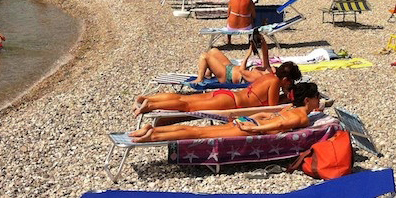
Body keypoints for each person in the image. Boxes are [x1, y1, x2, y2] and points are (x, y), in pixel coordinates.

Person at [129, 81, 319, 143]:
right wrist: (253, 129)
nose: (319, 101)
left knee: (187, 108)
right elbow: (278, 124)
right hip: (250, 128)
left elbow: (269, 117)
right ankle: (152, 135)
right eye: (317, 98)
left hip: (247, 121)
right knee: (198, 133)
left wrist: (249, 119)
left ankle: (152, 129)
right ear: (307, 100)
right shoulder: (301, 116)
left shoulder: (288, 107)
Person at [133, 62, 302, 116]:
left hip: (226, 95)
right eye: (290, 82)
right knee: (187, 107)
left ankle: (149, 99)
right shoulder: (274, 83)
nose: (289, 85)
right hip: (230, 103)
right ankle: (151, 106)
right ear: (286, 79)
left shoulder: (267, 76)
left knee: (185, 99)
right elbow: (271, 109)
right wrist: (287, 100)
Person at [195, 31, 274, 84]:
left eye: (275, 69)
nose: (274, 67)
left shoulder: (259, 77)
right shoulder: (267, 70)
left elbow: (242, 71)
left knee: (204, 56)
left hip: (226, 76)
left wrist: (249, 52)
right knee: (213, 51)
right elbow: (265, 53)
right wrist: (262, 39)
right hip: (231, 67)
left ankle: (199, 79)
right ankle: (208, 74)